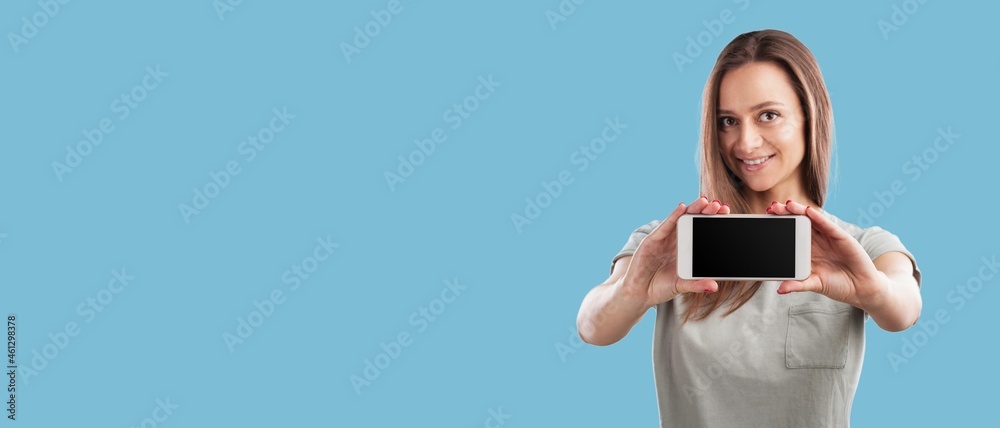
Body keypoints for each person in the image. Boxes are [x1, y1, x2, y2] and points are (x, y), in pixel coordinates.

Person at [575, 29, 922, 427]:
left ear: (811, 116)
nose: (746, 142)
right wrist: (633, 290)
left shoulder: (863, 246)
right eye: (727, 121)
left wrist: (871, 290)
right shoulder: (672, 244)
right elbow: (592, 326)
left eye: (768, 115)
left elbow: (904, 309)